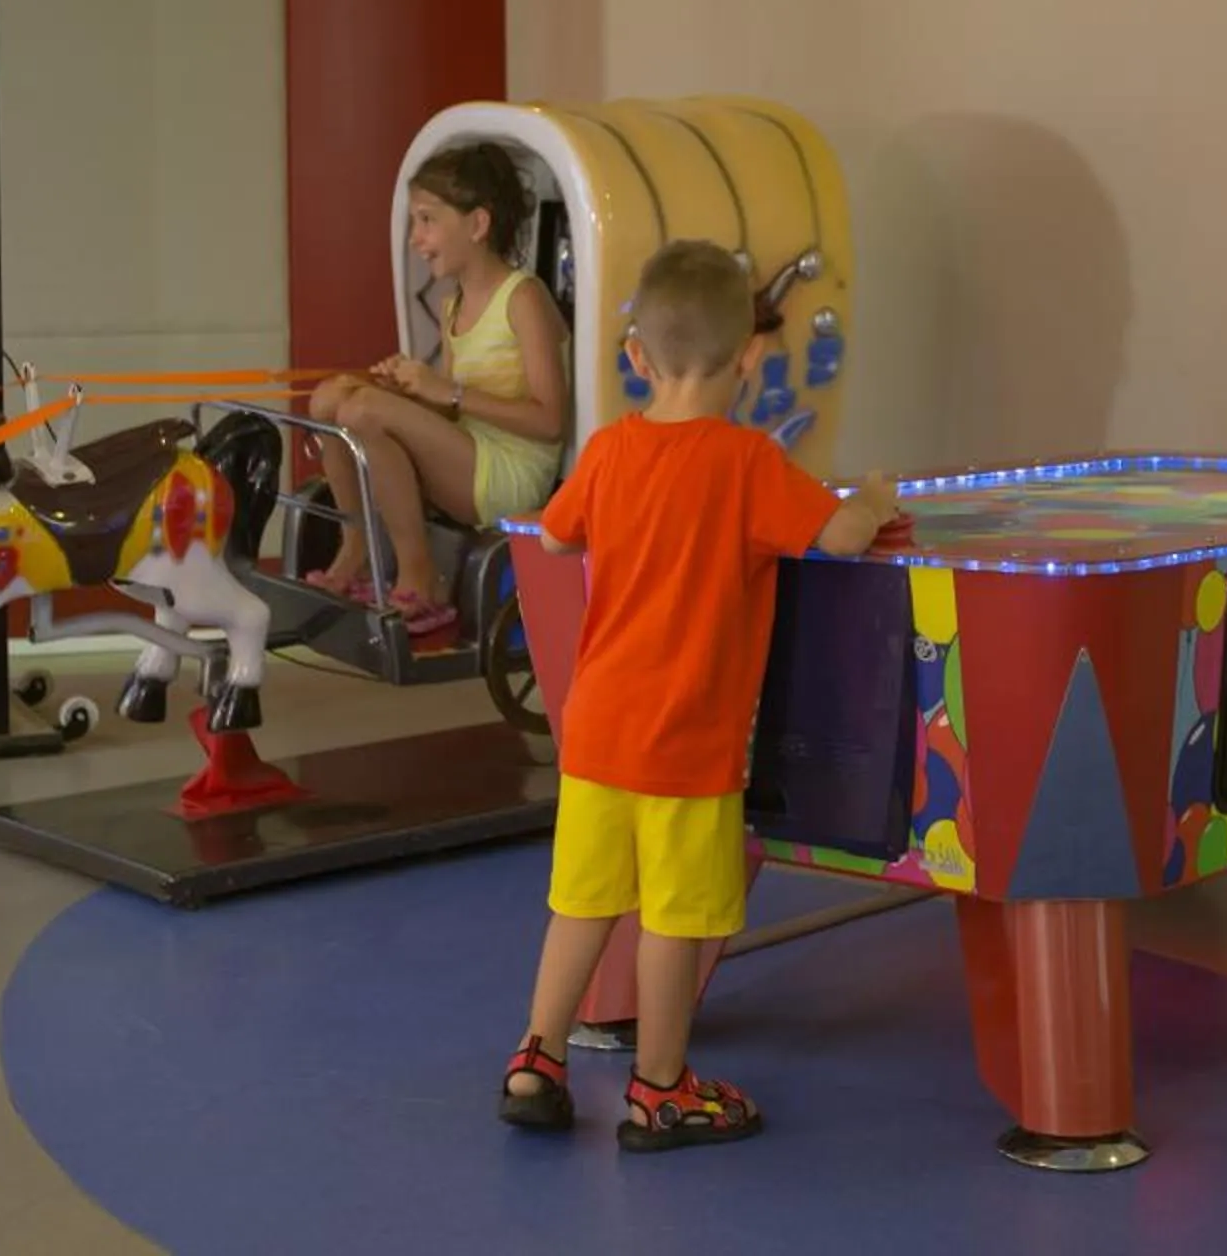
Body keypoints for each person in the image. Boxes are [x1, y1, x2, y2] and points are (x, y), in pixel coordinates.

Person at [496, 241, 898, 1151]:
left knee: (583, 903)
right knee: (673, 919)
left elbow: (557, 538)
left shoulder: (608, 451)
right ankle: (661, 1088)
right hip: (688, 746)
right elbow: (837, 538)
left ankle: (537, 1059)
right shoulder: (748, 463)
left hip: (598, 734)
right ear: (751, 355)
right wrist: (871, 500)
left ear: (636, 356)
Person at [307, 143, 569, 638]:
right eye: (414, 223)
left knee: (362, 409)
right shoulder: (454, 305)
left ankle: (419, 577)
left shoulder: (524, 298)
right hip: (470, 452)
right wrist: (411, 392)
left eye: (427, 221)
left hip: (511, 473)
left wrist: (444, 392)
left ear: (477, 225)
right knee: (330, 396)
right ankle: (357, 546)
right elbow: (451, 414)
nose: (415, 240)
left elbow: (550, 421)